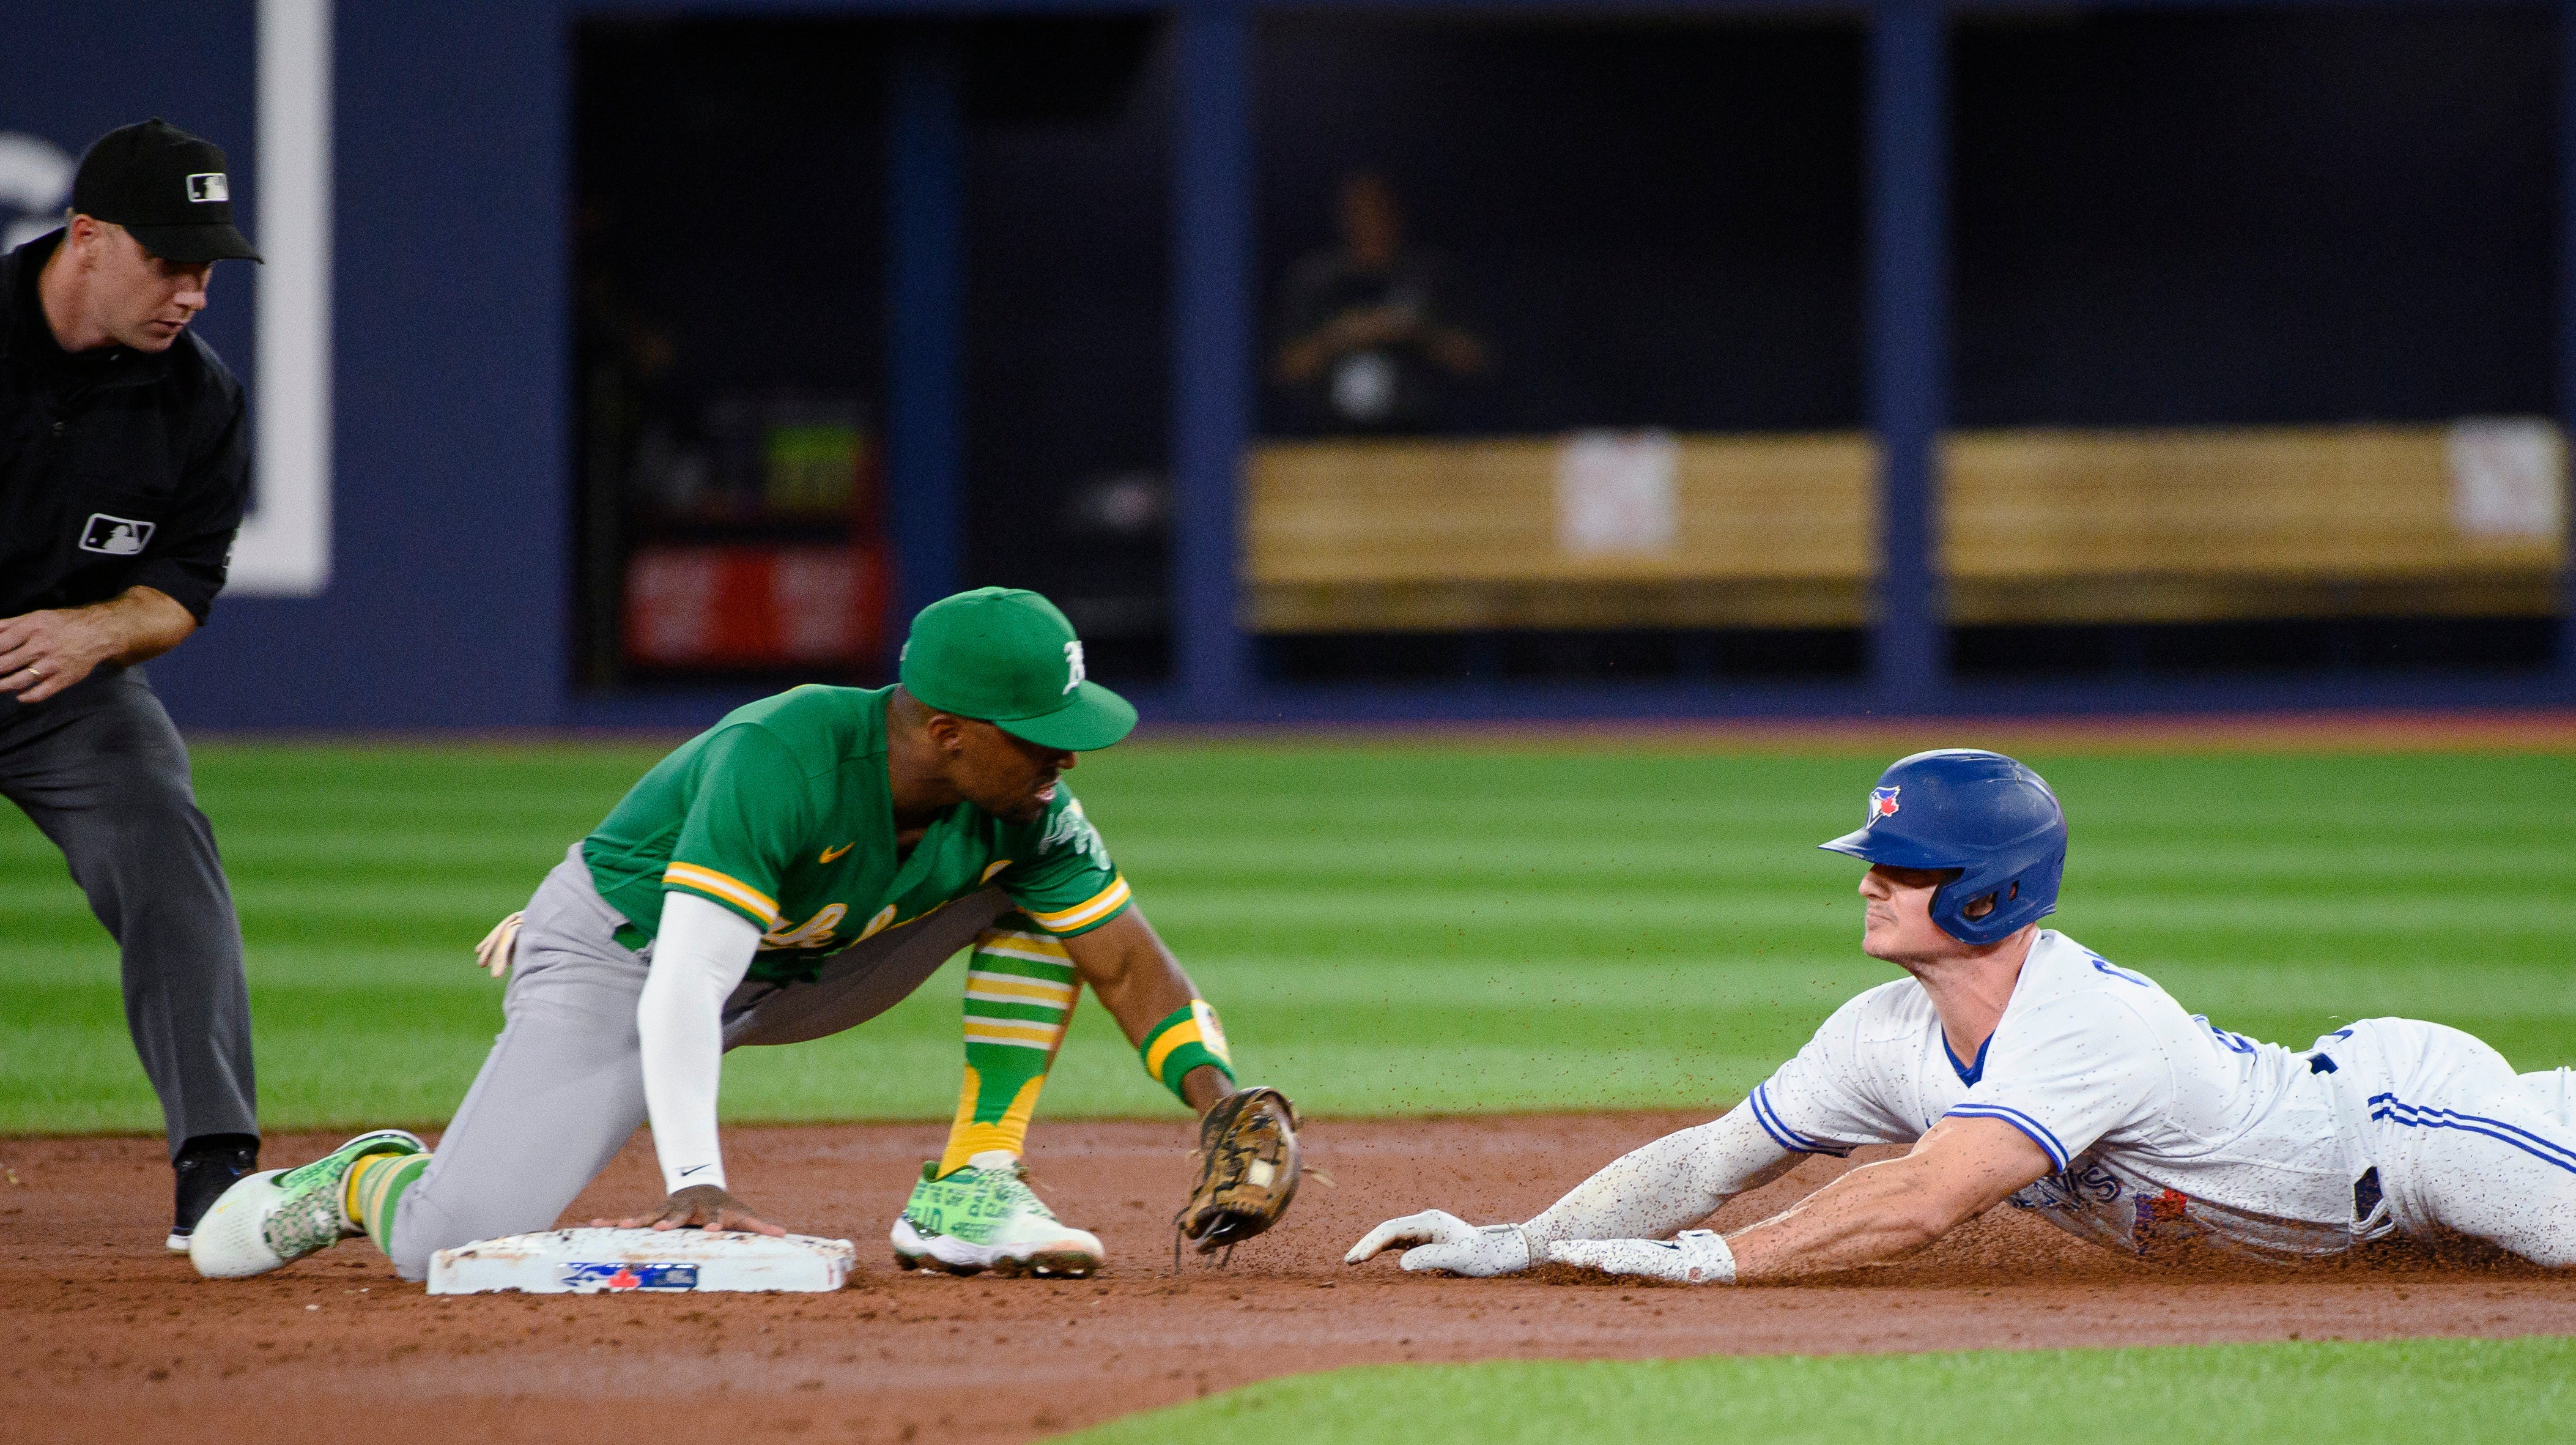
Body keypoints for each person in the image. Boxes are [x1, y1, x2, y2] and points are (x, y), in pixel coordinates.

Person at [1348, 749, 2576, 1288]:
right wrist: (1527, 1239)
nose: (1863, 888)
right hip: (2368, 1104)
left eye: (1894, 872)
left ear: (1977, 898)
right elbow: (1713, 1155)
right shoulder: (1879, 1040)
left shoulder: (2071, 1029)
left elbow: (1919, 1201)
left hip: (2390, 1143)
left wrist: (1716, 1273)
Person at [190, 588, 1294, 1282]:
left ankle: (971, 1179)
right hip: (626, 959)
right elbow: (683, 983)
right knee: (445, 1241)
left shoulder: (1028, 810)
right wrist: (697, 1179)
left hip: (806, 965)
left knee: (1042, 900)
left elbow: (1125, 959)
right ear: (949, 734)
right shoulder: (788, 754)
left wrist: (1222, 1099)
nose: (1067, 760)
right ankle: (362, 1176)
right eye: (1041, 739)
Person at [0, 119, 265, 1249]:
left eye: (207, 268)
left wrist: (99, 632)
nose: (192, 293)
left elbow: (183, 586)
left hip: (62, 692)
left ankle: (217, 1160)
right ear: (88, 237)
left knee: (160, 826)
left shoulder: (198, 402)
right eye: (169, 263)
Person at [1269, 171, 1486, 434]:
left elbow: (1476, 361)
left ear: (1397, 217)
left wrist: (1415, 330)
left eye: (1379, 213)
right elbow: (1285, 370)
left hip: (1419, 441)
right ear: (1343, 221)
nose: (1370, 225)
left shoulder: (1431, 276)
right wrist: (1340, 335)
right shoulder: (1315, 281)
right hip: (1330, 444)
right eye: (1359, 216)